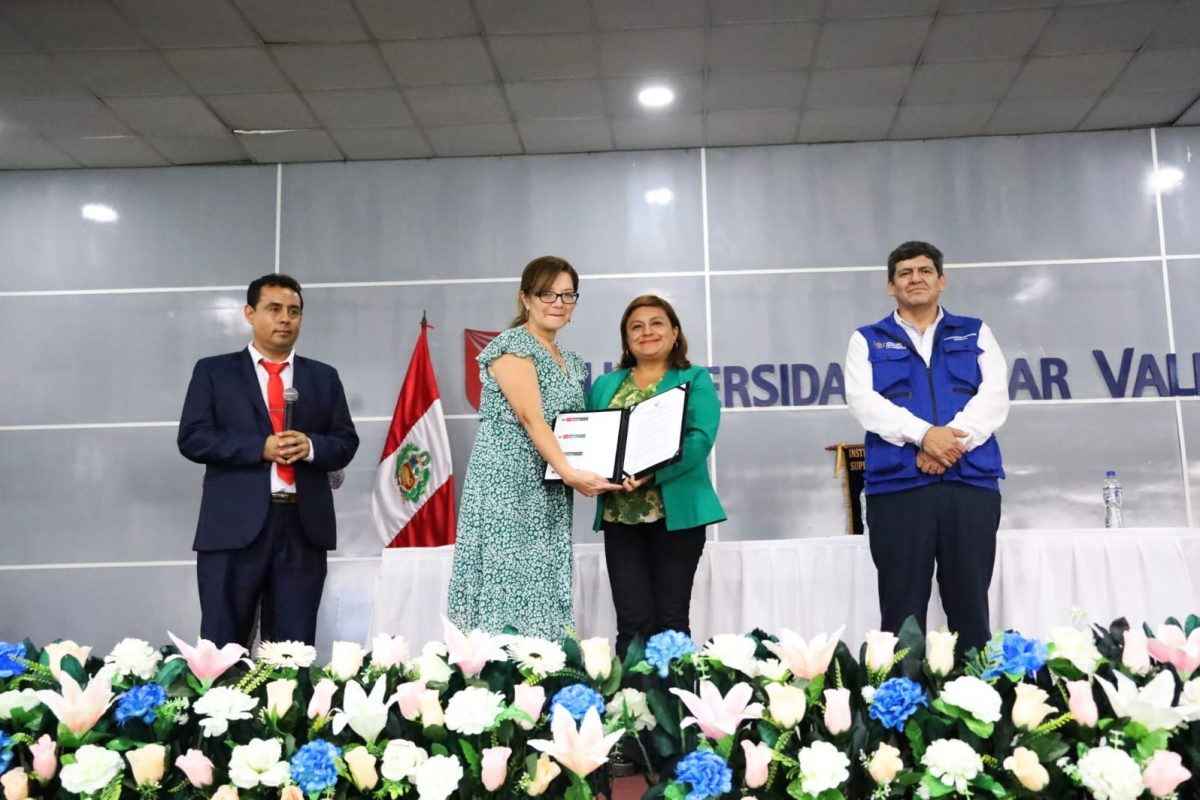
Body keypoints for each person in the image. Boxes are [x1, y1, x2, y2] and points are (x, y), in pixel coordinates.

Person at [845, 241, 1009, 654]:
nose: (915, 279)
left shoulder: (976, 331)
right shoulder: (866, 340)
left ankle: (976, 692)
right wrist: (924, 435)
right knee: (901, 615)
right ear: (891, 286)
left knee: (971, 609)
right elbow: (864, 403)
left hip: (969, 485)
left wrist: (949, 442)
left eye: (924, 271)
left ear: (941, 281)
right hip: (898, 489)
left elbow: (994, 396)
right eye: (905, 273)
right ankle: (902, 695)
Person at [178, 274, 359, 647]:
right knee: (223, 647)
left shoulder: (323, 377)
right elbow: (193, 437)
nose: (285, 319)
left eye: (294, 311)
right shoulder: (214, 372)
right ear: (250, 313)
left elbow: (345, 443)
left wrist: (310, 446)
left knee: (292, 651)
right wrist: (259, 448)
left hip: (302, 528)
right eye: (274, 309)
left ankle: (285, 689)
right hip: (232, 528)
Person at [447, 256, 621, 639]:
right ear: (525, 298)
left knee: (545, 576)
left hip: (550, 485)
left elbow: (574, 427)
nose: (558, 303)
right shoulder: (512, 346)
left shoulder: (570, 360)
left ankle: (545, 664)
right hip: (508, 485)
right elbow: (531, 418)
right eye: (547, 293)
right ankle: (501, 667)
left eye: (567, 295)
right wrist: (572, 473)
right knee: (508, 579)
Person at [587, 295, 726, 659]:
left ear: (675, 332)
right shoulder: (605, 384)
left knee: (671, 620)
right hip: (620, 518)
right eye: (636, 326)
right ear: (626, 338)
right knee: (631, 624)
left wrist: (651, 473)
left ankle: (674, 697)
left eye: (656, 323)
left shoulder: (694, 378)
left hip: (676, 517)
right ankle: (631, 696)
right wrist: (587, 472)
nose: (646, 332)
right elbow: (592, 438)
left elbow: (699, 439)